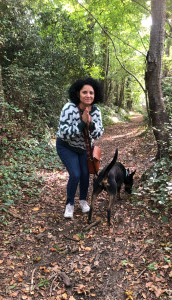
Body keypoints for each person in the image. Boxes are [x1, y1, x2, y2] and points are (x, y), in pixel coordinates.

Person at [56, 77, 104, 218]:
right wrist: (82, 124)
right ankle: (69, 204)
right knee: (75, 174)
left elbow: (99, 133)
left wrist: (91, 124)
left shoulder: (96, 111)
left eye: (91, 93)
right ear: (78, 94)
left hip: (84, 149)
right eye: (85, 92)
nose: (88, 95)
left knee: (84, 174)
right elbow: (64, 134)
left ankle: (83, 201)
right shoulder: (69, 108)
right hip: (66, 146)